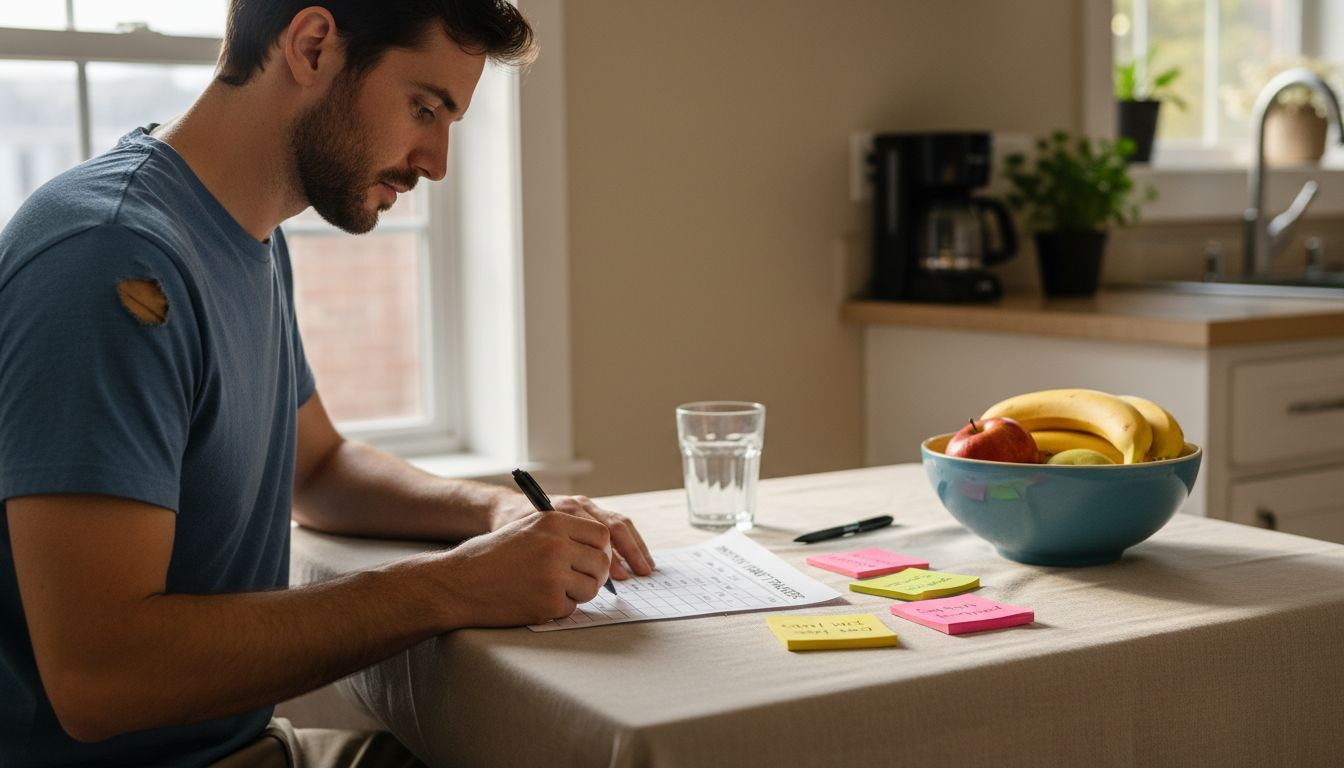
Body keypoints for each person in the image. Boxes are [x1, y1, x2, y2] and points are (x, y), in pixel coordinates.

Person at [0, 2, 655, 765]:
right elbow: (99, 679)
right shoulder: (111, 262)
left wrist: (495, 510)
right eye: (424, 107)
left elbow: (318, 467)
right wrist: (450, 587)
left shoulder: (245, 233)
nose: (437, 162)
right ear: (312, 46)